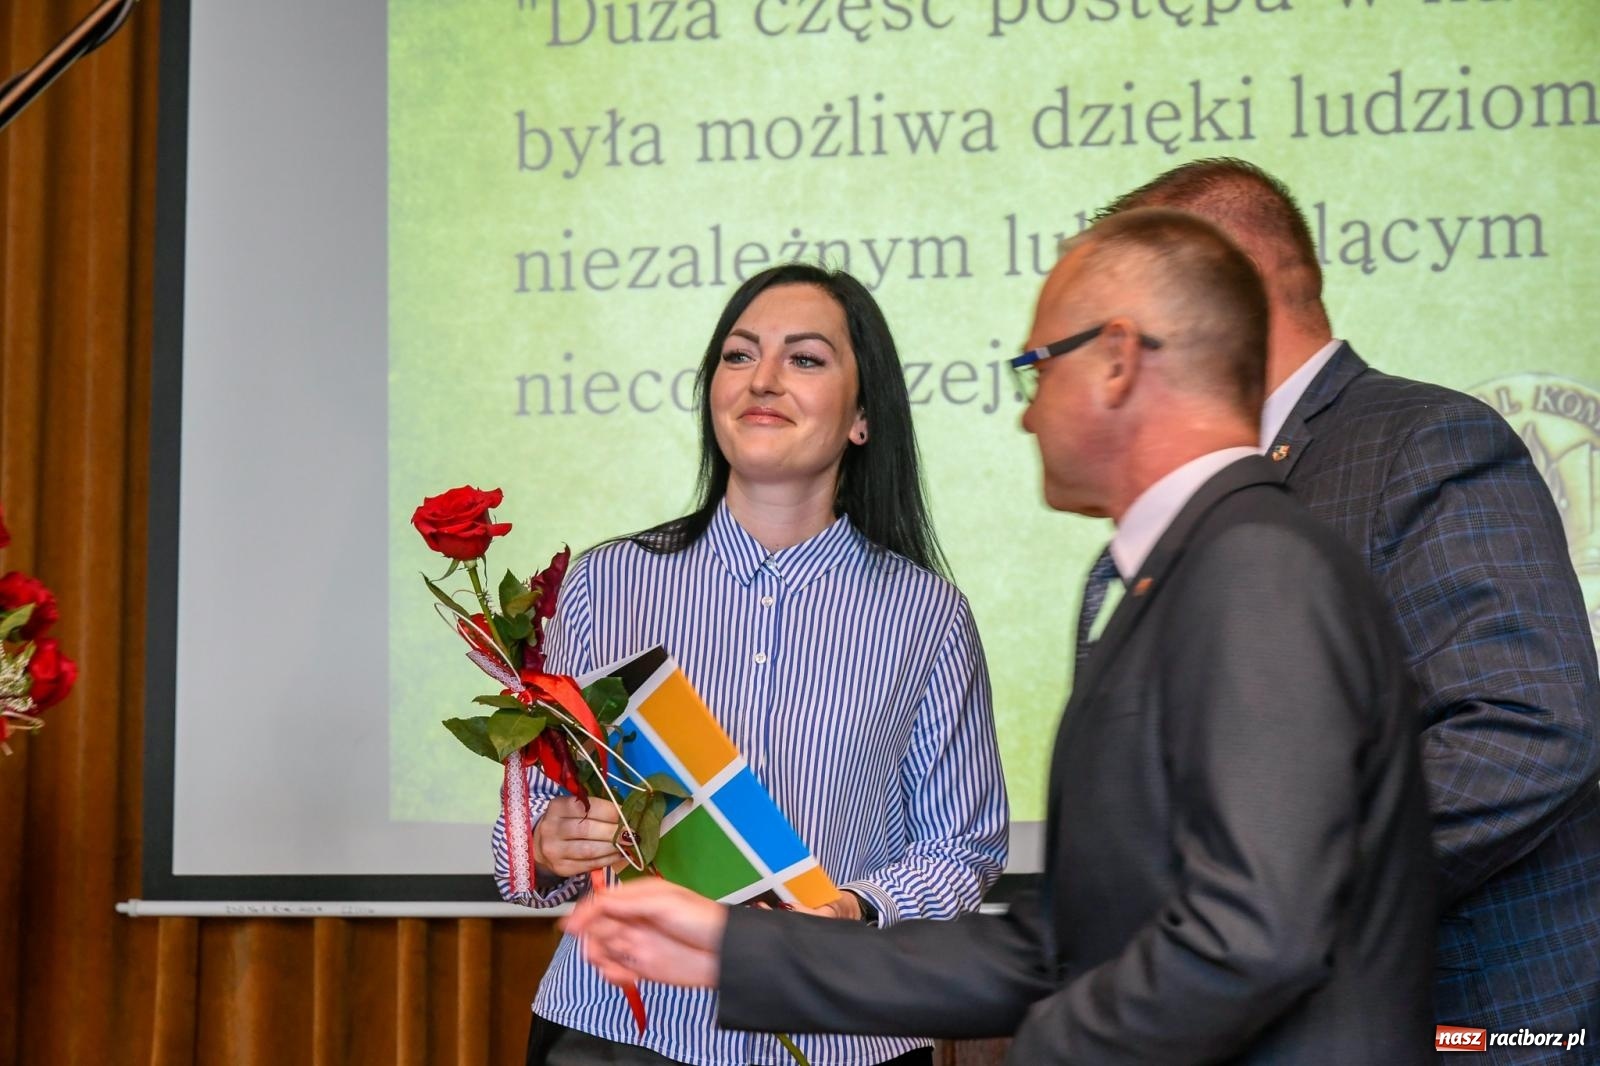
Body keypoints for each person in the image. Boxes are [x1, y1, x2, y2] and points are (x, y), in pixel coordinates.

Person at [566, 209, 1438, 1064]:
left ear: (1117, 362)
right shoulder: (1193, 569)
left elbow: (1254, 938)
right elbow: (1059, 948)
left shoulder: (1254, 568)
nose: (1025, 414)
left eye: (1035, 368)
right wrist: (741, 951)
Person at [1100, 159, 1600, 1055]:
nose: (1116, 359)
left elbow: (1526, 731)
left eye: (1133, 313)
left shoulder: (1424, 440)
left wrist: (1261, 888)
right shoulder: (1222, 483)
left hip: (1467, 1020)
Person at [493, 263, 1009, 1066]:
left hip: (835, 1038)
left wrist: (854, 912)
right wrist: (551, 842)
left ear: (864, 416)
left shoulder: (926, 616)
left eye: (805, 359)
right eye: (739, 356)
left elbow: (964, 849)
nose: (763, 379)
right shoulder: (606, 583)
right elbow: (531, 826)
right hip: (620, 1033)